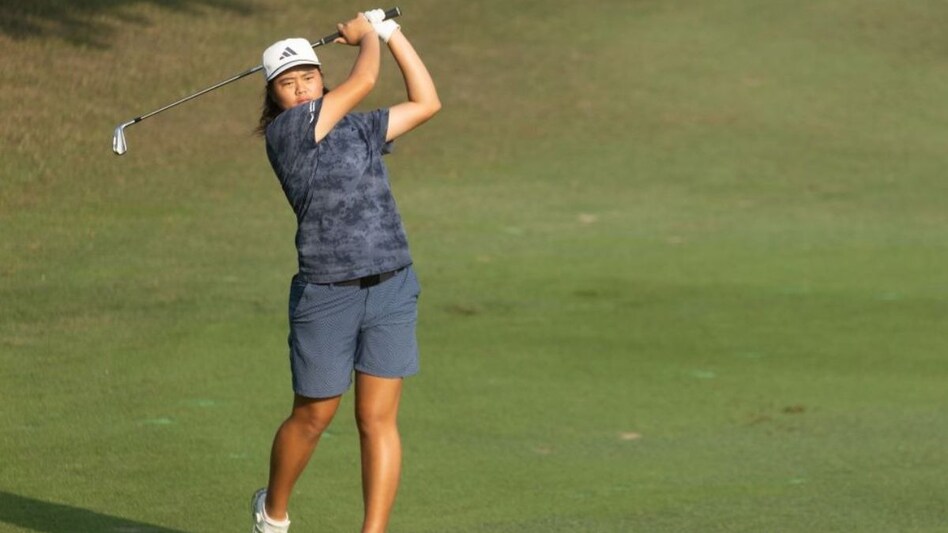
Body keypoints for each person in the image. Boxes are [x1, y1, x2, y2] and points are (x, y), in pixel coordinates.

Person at [250, 9, 440, 533]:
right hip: (328, 293)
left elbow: (427, 102)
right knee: (314, 416)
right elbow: (366, 79)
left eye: (307, 77)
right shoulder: (287, 133)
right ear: (274, 96)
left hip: (392, 284)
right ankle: (273, 512)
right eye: (287, 83)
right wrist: (366, 37)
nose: (300, 89)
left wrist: (393, 33)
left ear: (320, 77)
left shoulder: (357, 127)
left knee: (377, 420)